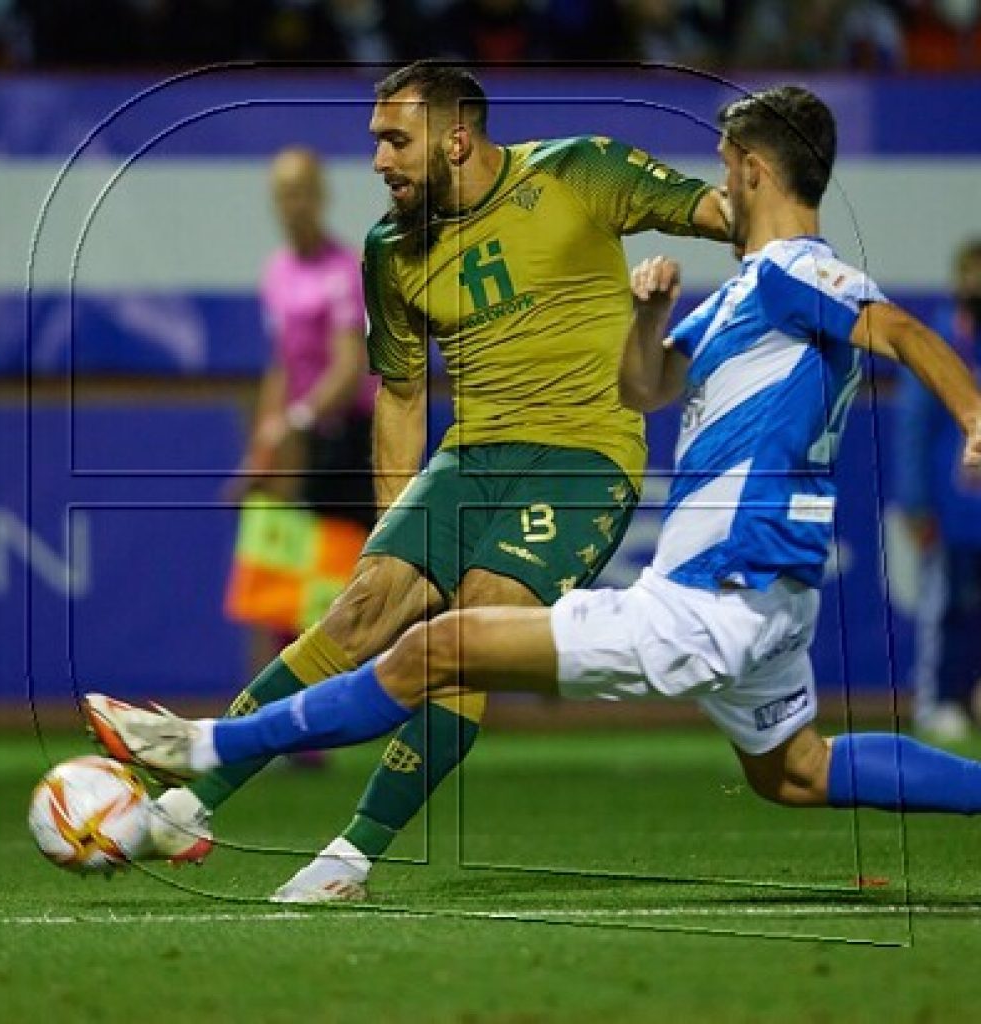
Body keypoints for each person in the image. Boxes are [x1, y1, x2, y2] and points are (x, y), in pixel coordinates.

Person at [87, 86, 981, 848]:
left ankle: (228, 764)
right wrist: (649, 312)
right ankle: (206, 794)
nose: (378, 161)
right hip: (735, 588)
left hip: (688, 571)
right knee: (795, 771)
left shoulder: (774, 263)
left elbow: (891, 324)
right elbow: (644, 383)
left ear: (749, 168)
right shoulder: (736, 299)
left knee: (445, 643)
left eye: (722, 164)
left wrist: (975, 417)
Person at [131, 60, 732, 898]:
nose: (377, 160)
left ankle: (352, 854)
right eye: (375, 140)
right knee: (363, 605)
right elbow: (403, 395)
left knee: (474, 628)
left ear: (456, 137)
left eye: (394, 140)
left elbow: (721, 213)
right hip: (470, 456)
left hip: (584, 458)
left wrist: (785, 241)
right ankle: (191, 804)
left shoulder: (577, 170)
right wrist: (392, 532)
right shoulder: (389, 249)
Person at [225, 148, 375, 767]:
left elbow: (350, 365)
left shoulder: (345, 272)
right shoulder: (276, 273)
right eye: (282, 194)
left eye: (302, 192)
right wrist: (266, 439)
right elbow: (282, 366)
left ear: (321, 196)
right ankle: (285, 727)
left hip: (348, 441)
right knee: (282, 584)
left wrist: (297, 421)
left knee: (360, 585)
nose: (293, 205)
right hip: (299, 440)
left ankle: (404, 708)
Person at [897, 239, 981, 740]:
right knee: (947, 606)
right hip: (953, 510)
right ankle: (939, 699)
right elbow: (914, 427)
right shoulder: (941, 341)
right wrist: (916, 503)